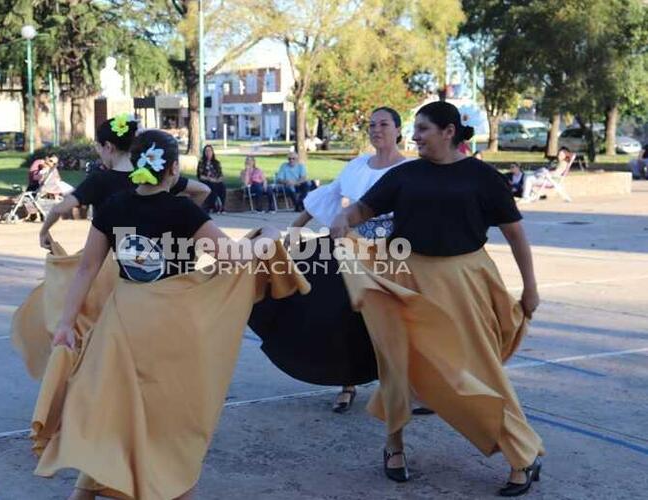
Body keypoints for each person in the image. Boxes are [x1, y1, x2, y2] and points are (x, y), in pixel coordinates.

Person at [32, 129, 288, 500]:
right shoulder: (183, 210)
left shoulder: (117, 206)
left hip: (123, 321)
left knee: (115, 409)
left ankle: (87, 491)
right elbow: (233, 258)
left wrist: (66, 325)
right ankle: (173, 486)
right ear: (171, 170)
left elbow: (87, 269)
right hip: (171, 323)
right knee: (170, 416)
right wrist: (268, 236)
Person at [330, 101, 543, 496]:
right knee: (397, 365)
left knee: (479, 371)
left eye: (423, 129)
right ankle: (393, 447)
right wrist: (344, 219)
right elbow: (363, 208)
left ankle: (523, 455)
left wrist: (530, 289)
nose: (415, 137)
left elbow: (516, 236)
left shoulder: (483, 178)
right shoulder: (406, 174)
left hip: (464, 282)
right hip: (405, 279)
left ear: (449, 131)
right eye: (414, 130)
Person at [254, 106, 411, 414]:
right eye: (371, 124)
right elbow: (327, 197)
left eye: (383, 124)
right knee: (340, 314)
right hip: (347, 249)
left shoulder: (408, 170)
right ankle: (347, 382)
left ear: (397, 129)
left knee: (391, 320)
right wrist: (296, 228)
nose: (376, 129)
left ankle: (400, 387)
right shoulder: (356, 166)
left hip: (389, 253)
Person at [38, 117, 209, 250]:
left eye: (99, 148)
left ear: (109, 147)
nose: (100, 154)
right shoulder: (155, 175)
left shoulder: (99, 180)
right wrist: (185, 225)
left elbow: (59, 208)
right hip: (155, 261)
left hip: (113, 264)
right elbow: (203, 190)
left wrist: (44, 231)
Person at [197, 144, 227, 213]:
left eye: (210, 151)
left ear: (212, 152)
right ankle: (213, 206)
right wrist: (209, 179)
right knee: (212, 186)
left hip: (216, 181)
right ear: (204, 153)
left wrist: (217, 180)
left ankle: (222, 207)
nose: (208, 153)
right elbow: (200, 176)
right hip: (206, 181)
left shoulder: (216, 163)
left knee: (222, 187)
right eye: (206, 151)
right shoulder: (201, 162)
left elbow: (221, 175)